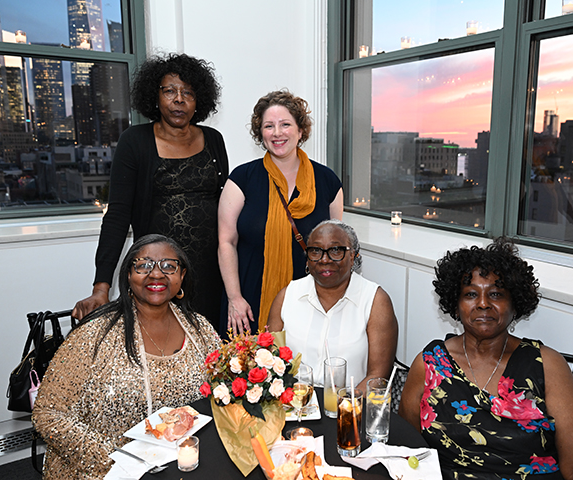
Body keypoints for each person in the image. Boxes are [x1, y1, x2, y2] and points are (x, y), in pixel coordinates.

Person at [398, 238, 573, 480]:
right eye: (471, 294)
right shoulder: (429, 364)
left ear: (514, 304)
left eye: (496, 294)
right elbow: (406, 452)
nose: (483, 304)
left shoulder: (547, 365)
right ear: (455, 305)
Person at [33, 234, 220, 479]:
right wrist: (116, 462)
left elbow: (222, 389)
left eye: (169, 266)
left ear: (182, 276)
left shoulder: (200, 329)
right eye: (143, 265)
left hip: (182, 461)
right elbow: (47, 414)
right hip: (104, 469)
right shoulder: (94, 335)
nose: (156, 274)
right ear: (128, 276)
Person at [72, 53, 229, 324]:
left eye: (188, 93)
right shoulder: (135, 141)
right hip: (157, 273)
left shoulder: (213, 139)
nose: (179, 99)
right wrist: (101, 288)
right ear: (155, 96)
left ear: (199, 100)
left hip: (210, 273)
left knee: (208, 342)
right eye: (170, 91)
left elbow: (226, 206)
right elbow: (117, 216)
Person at [218, 90, 343, 336]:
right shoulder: (242, 179)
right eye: (269, 126)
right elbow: (226, 242)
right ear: (260, 133)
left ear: (300, 130)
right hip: (248, 302)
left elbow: (336, 248)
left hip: (309, 301)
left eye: (285, 124)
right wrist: (235, 298)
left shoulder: (327, 181)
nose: (277, 133)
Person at [267, 220, 397, 391]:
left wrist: (345, 404)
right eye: (316, 251)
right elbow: (268, 360)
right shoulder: (287, 296)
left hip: (350, 403)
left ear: (352, 256)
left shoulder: (375, 301)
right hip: (293, 401)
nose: (324, 259)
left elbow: (377, 377)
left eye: (336, 250)